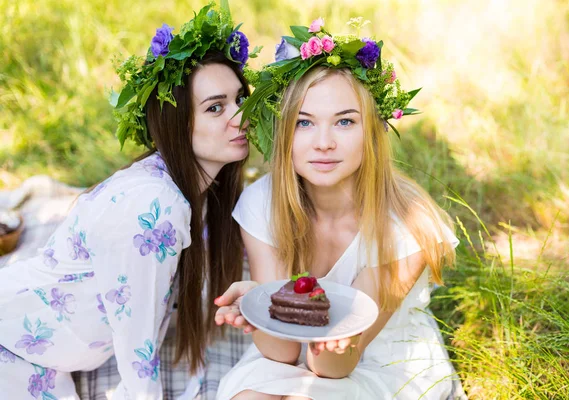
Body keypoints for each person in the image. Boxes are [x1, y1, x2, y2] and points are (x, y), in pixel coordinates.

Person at [0, 3, 257, 398]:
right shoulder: (156, 210)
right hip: (12, 343)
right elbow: (137, 341)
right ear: (176, 122)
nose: (240, 117)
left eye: (239, 99)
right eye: (215, 107)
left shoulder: (199, 190)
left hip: (46, 350)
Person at [214, 18, 466, 400]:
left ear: (373, 132)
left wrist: (335, 337)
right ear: (282, 133)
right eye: (304, 123)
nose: (324, 143)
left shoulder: (406, 224)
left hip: (380, 360)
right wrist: (262, 302)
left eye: (344, 121)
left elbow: (333, 367)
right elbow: (281, 352)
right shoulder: (262, 202)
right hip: (289, 356)